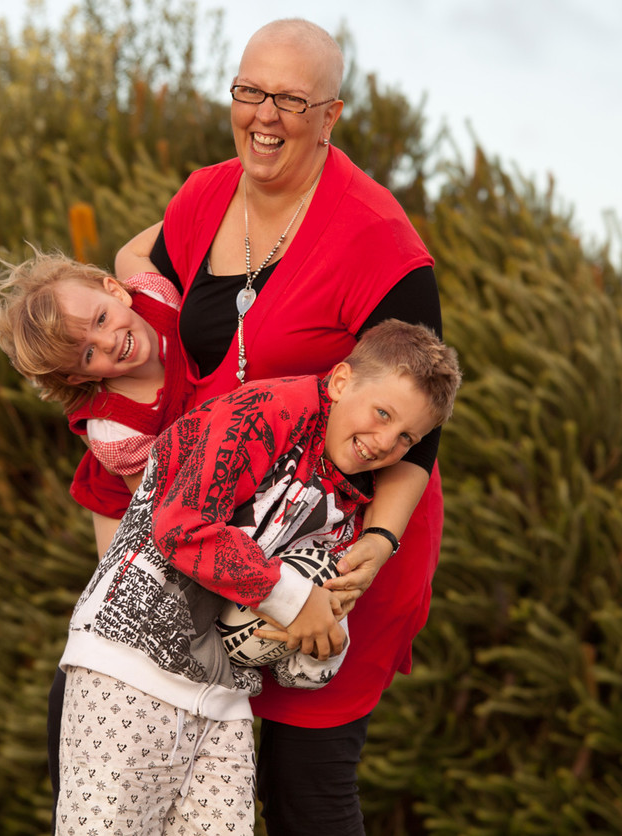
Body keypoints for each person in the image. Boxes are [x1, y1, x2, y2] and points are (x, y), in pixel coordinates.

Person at [115, 17, 447, 835]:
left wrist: (378, 544)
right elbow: (144, 263)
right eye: (249, 92)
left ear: (330, 115)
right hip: (213, 534)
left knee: (304, 792)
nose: (265, 116)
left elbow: (421, 427)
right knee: (125, 749)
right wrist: (130, 294)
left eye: (292, 101)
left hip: (339, 544)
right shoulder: (205, 193)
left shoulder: (379, 241)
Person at [55, 320, 461, 835]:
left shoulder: (351, 498)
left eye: (407, 436)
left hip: (224, 700)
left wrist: (324, 643)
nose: (386, 442)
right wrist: (293, 600)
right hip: (128, 668)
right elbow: (180, 528)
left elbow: (299, 658)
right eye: (382, 414)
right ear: (340, 382)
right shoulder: (262, 412)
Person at [0, 247, 195, 553]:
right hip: (131, 501)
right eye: (88, 354)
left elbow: (147, 243)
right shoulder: (118, 431)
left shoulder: (157, 296)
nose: (109, 342)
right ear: (79, 377)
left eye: (102, 319)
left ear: (116, 291)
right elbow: (159, 505)